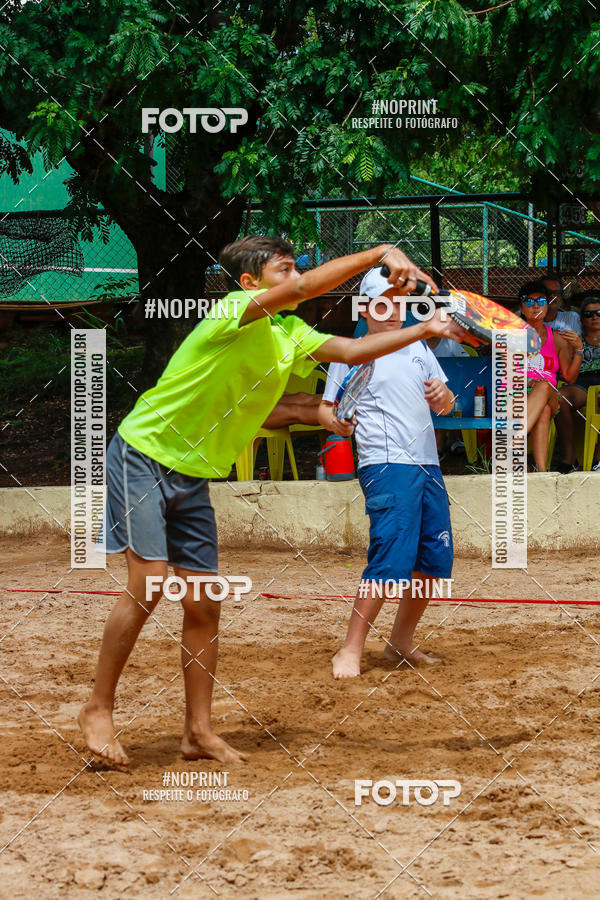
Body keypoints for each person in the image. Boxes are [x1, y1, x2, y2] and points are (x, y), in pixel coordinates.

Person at [79, 236, 468, 766]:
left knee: (204, 603)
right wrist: (380, 252)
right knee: (148, 581)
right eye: (283, 270)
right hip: (143, 453)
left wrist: (425, 329)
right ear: (249, 283)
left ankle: (197, 731)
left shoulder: (289, 332)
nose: (295, 277)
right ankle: (98, 708)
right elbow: (310, 287)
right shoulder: (233, 311)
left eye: (294, 268)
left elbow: (351, 351)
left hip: (192, 473)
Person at [318, 266, 456, 679]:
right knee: (390, 558)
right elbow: (327, 408)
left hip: (428, 465)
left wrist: (443, 396)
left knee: (432, 560)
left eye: (399, 303)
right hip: (385, 465)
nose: (394, 310)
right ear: (366, 307)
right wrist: (337, 423)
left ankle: (400, 642)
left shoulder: (419, 348)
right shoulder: (352, 351)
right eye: (384, 303)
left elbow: (446, 405)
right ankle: (350, 649)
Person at [517, 281, 582, 472]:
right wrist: (529, 382)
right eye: (529, 302)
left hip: (550, 393)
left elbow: (569, 377)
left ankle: (516, 443)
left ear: (547, 305)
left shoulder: (557, 338)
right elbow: (505, 374)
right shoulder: (512, 336)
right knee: (544, 410)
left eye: (541, 301)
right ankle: (542, 471)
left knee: (544, 385)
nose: (535, 306)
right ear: (521, 307)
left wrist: (578, 349)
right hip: (516, 395)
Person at [556, 294, 600, 471]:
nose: (595, 317)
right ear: (581, 319)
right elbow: (565, 371)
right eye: (589, 314)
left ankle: (597, 457)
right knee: (560, 399)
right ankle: (569, 457)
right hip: (583, 382)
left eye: (599, 312)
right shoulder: (573, 339)